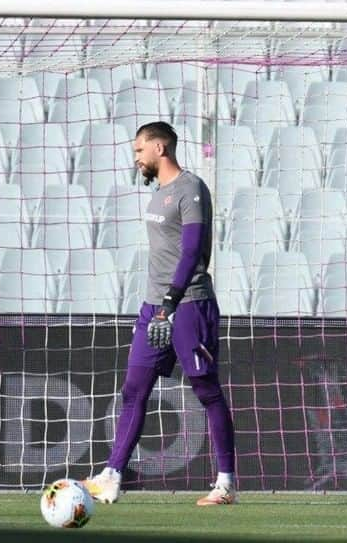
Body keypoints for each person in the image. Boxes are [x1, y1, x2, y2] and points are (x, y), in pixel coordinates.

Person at [83, 121, 237, 506]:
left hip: (187, 304)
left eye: (139, 150)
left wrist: (170, 302)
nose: (136, 158)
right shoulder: (158, 195)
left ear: (160, 148)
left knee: (206, 389)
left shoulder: (190, 190)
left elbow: (190, 251)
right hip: (154, 307)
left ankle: (225, 484)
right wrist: (158, 306)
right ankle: (112, 475)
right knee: (134, 389)